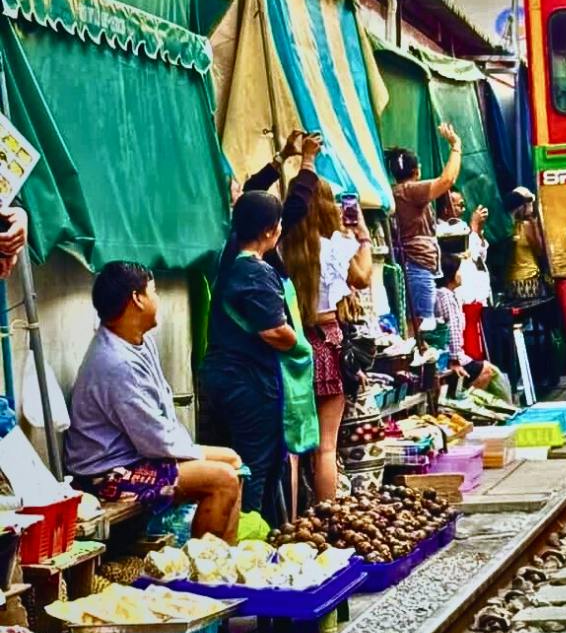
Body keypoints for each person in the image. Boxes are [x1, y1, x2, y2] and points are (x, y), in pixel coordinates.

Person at [66, 263, 243, 540]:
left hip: (138, 457)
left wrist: (195, 451)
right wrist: (195, 452)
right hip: (107, 475)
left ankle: (225, 563)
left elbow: (161, 414)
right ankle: (203, 566)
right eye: (154, 291)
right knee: (223, 479)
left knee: (233, 462)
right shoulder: (115, 362)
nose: (157, 299)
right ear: (137, 299)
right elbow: (154, 440)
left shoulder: (138, 341)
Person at [197, 192, 306, 528]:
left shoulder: (224, 265)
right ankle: (249, 543)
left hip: (219, 381)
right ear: (271, 230)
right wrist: (297, 342)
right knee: (254, 469)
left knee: (231, 468)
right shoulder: (255, 272)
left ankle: (234, 538)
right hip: (248, 386)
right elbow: (274, 331)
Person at [280, 179, 373, 502]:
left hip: (292, 347)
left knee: (292, 448)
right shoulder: (333, 247)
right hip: (328, 345)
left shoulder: (280, 249)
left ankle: (291, 520)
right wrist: (363, 236)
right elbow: (362, 277)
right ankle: (325, 517)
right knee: (325, 446)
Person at [385, 123, 463, 327]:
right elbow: (447, 180)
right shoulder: (410, 191)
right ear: (415, 170)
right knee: (421, 325)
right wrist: (456, 145)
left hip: (416, 265)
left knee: (420, 323)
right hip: (417, 266)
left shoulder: (399, 192)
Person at [242, 131, 323, 277]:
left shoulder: (240, 247)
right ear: (268, 231)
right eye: (278, 223)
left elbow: (251, 190)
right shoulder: (259, 274)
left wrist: (283, 156)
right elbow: (296, 206)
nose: (281, 226)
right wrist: (308, 160)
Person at [433, 265, 512, 399]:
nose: (460, 274)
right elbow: (452, 329)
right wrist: (455, 361)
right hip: (449, 358)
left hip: (453, 355)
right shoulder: (445, 295)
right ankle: (467, 403)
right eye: (458, 270)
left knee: (491, 370)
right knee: (488, 370)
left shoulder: (447, 294)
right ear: (450, 275)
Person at [505, 187, 548, 302]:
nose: (530, 205)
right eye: (528, 202)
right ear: (521, 206)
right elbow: (540, 251)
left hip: (510, 283)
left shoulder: (504, 227)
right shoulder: (526, 225)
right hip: (529, 280)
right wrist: (535, 224)